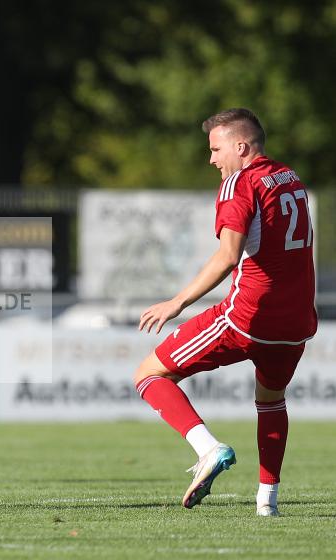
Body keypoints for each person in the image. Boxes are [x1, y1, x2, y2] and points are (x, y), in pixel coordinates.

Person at [133, 108, 317, 516]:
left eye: (216, 150)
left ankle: (208, 448)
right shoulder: (290, 178)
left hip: (246, 318)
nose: (212, 159)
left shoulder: (241, 183)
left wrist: (177, 302)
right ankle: (267, 501)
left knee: (148, 374)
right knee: (271, 401)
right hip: (296, 323)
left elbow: (227, 256)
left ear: (241, 146)